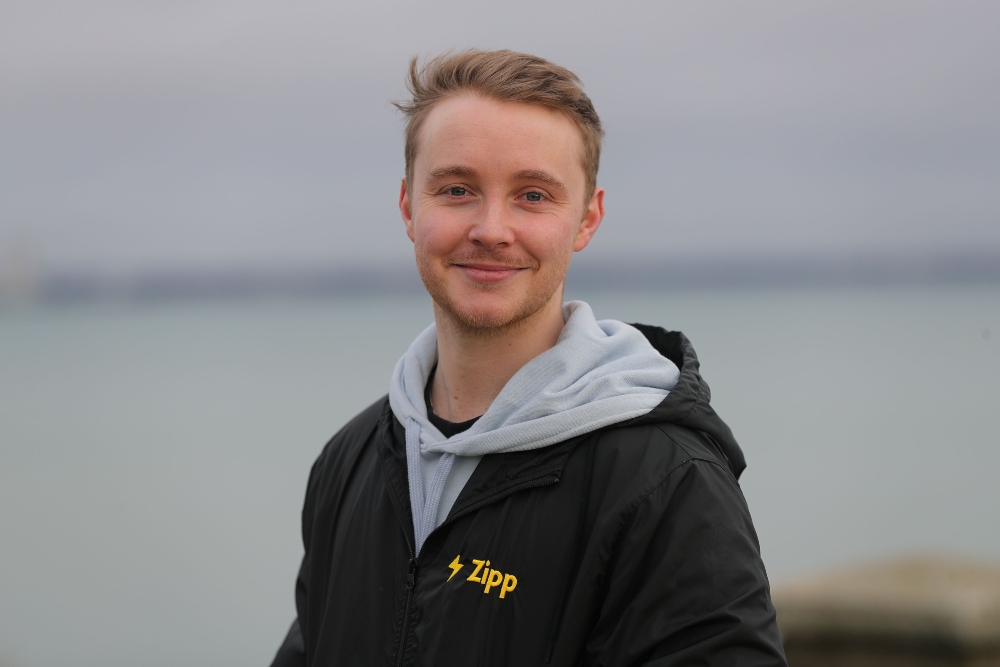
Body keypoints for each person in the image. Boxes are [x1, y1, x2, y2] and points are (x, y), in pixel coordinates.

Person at [270, 49, 787, 666]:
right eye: (457, 189)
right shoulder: (350, 462)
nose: (491, 228)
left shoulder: (666, 482)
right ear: (409, 206)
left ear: (587, 219)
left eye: (533, 195)